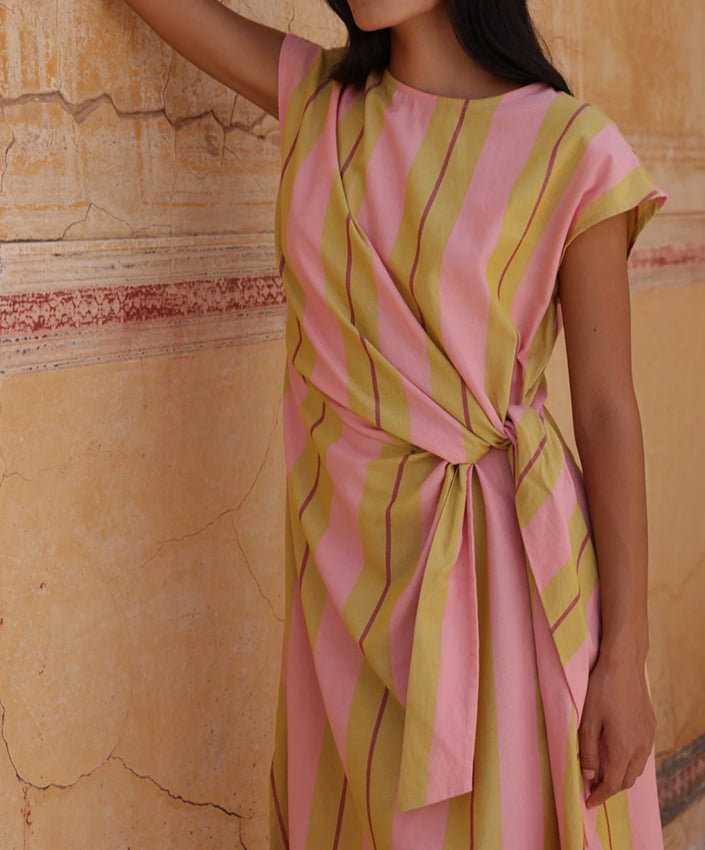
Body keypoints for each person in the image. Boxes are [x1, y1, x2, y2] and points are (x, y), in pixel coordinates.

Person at [120, 1, 668, 848]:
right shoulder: (318, 102)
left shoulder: (572, 147)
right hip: (340, 583)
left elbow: (605, 410)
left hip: (505, 574)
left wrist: (624, 658)